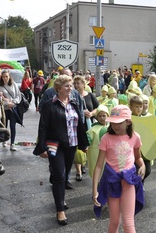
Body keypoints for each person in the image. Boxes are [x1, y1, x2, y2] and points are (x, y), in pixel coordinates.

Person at [33, 75, 89, 226]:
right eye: (67, 86)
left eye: (71, 86)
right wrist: (42, 147)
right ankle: (60, 210)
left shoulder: (75, 102)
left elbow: (81, 124)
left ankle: (61, 198)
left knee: (64, 176)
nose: (70, 88)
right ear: (58, 88)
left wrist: (84, 143)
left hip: (71, 144)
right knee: (58, 175)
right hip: (54, 144)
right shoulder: (48, 105)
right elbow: (43, 126)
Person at [92, 105, 145, 233]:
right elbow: (99, 165)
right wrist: (94, 190)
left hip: (129, 182)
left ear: (128, 122)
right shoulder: (106, 138)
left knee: (128, 222)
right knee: (115, 221)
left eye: (119, 123)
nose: (115, 126)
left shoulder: (135, 137)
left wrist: (142, 165)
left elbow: (138, 157)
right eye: (113, 123)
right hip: (112, 182)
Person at [73, 75, 99, 181]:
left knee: (88, 147)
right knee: (78, 147)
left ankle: (84, 164)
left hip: (88, 125)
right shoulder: (72, 96)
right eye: (75, 84)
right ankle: (78, 171)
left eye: (78, 83)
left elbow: (98, 108)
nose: (76, 85)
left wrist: (91, 113)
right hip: (76, 125)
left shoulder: (90, 95)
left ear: (84, 85)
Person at [0, 69, 21, 151]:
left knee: (13, 126)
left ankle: (12, 144)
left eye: (6, 76)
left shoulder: (14, 84)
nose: (5, 78)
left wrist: (13, 102)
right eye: (4, 77)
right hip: (4, 109)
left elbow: (18, 96)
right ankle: (4, 140)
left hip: (13, 108)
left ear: (9, 77)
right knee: (4, 126)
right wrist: (6, 103)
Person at [87, 105, 109, 178]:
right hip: (96, 155)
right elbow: (87, 140)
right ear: (96, 117)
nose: (102, 118)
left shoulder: (111, 127)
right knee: (98, 174)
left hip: (109, 156)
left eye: (104, 116)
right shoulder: (93, 130)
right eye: (100, 116)